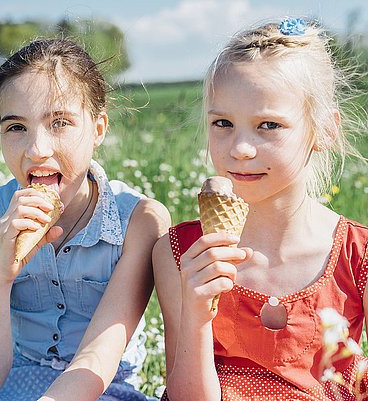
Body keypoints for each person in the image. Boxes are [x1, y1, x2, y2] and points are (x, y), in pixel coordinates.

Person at [153, 18, 368, 401]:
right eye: (223, 123)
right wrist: (198, 315)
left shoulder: (357, 255)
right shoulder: (180, 253)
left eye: (268, 125)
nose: (240, 149)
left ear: (324, 131)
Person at [0, 38, 170, 401]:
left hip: (100, 387)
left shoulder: (139, 221)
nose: (37, 150)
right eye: (16, 127)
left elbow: (99, 357)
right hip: (10, 384)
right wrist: (3, 272)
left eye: (59, 123)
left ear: (98, 129)